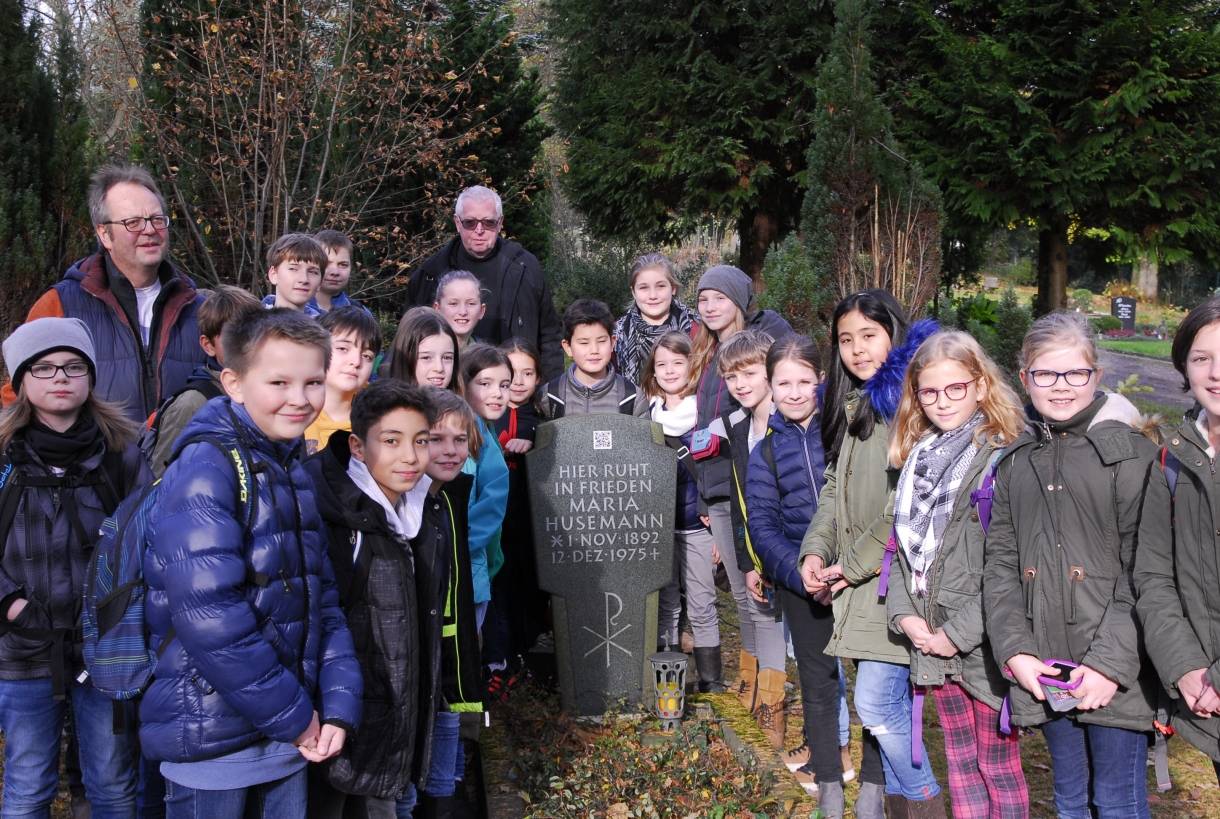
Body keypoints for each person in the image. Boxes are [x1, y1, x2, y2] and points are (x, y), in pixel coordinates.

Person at [139, 309, 362, 818]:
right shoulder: (206, 467)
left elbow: (322, 600)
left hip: (285, 740)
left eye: (312, 382)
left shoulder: (288, 465)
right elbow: (211, 618)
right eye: (279, 381)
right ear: (234, 383)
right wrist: (297, 717)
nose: (299, 398)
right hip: (213, 744)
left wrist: (339, 708)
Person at [984, 311, 1159, 819]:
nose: (1060, 387)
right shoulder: (1017, 461)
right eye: (1045, 374)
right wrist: (1016, 651)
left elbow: (1143, 572)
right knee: (1069, 799)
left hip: (1115, 671)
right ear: (1024, 379)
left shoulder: (1130, 458)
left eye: (1074, 374)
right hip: (1047, 665)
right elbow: (1000, 566)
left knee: (1117, 800)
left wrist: (1108, 665)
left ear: (1096, 375)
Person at [798, 290, 942, 818]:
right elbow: (836, 485)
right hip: (861, 585)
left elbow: (902, 505)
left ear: (894, 334)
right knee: (883, 706)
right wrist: (815, 549)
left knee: (877, 702)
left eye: (869, 335)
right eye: (845, 340)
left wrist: (849, 566)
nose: (857, 349)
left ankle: (924, 802)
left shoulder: (910, 405)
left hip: (895, 583)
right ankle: (898, 806)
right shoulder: (857, 401)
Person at [0, 318, 150, 819]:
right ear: (21, 382)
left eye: (72, 366)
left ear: (90, 377)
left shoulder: (122, 454)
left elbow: (149, 536)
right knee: (27, 783)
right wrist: (11, 603)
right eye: (42, 368)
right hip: (21, 648)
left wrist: (124, 611)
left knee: (112, 783)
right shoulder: (4, 457)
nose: (59, 377)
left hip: (106, 649)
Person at [886, 331, 1029, 818]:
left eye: (955, 389)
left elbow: (1009, 567)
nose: (942, 402)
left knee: (998, 765)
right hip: (930, 637)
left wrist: (957, 633)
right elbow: (903, 551)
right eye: (930, 392)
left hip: (983, 642)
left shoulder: (1004, 455)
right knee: (960, 762)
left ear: (981, 386)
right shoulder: (917, 456)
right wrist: (906, 618)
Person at [304, 381, 436, 817]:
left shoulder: (423, 505)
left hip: (396, 713)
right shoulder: (339, 515)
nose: (410, 457)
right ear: (358, 447)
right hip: (344, 716)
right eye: (391, 442)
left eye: (420, 441)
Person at [4, 164, 207, 423]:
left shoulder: (200, 310)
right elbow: (17, 396)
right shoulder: (60, 305)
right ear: (104, 234)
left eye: (157, 219)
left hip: (181, 463)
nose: (149, 230)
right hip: (95, 461)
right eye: (132, 222)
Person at [744, 336, 846, 810]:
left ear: (821, 380)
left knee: (876, 685)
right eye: (783, 382)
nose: (795, 392)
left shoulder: (845, 429)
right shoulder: (763, 454)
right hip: (803, 583)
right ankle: (829, 783)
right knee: (817, 679)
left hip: (859, 573)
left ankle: (880, 782)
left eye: (805, 381)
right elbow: (762, 524)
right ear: (770, 385)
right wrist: (797, 572)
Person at [689, 265, 790, 701]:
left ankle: (770, 698)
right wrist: (700, 495)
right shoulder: (704, 352)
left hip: (749, 485)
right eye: (703, 299)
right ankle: (751, 687)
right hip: (715, 487)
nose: (710, 307)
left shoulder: (761, 340)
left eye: (719, 297)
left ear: (740, 301)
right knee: (741, 596)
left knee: (760, 596)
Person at [1137, 296, 1220, 782]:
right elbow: (1153, 576)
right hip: (1206, 697)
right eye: (1201, 358)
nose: (1215, 373)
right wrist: (1185, 666)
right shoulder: (1171, 460)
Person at [406, 389, 484, 818]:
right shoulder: (408, 501)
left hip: (448, 655)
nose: (451, 451)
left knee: (444, 773)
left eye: (460, 440)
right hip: (420, 662)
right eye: (437, 439)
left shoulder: (449, 495)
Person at [405, 185, 562, 379]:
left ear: (500, 223)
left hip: (516, 391)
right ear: (457, 223)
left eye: (488, 222)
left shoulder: (525, 267)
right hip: (451, 388)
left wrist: (550, 392)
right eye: (470, 222)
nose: (479, 230)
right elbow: (408, 342)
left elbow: (549, 334)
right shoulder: (430, 274)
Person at [637, 333, 707, 661]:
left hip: (696, 520)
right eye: (661, 364)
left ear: (692, 366)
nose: (669, 371)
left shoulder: (704, 411)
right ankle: (668, 658)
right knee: (666, 596)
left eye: (677, 363)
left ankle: (708, 670)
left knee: (698, 592)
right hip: (659, 522)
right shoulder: (646, 412)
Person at [148, 285, 262, 476]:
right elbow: (161, 481)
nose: (248, 343)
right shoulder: (192, 404)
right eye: (234, 335)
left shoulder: (270, 392)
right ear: (208, 345)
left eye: (256, 332)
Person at [487, 339, 546, 686]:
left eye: (528, 373)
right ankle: (501, 662)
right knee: (499, 590)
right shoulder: (486, 415)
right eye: (513, 373)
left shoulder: (541, 416)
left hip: (529, 523)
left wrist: (536, 440)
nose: (520, 381)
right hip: (495, 523)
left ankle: (524, 656)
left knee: (527, 590)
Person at [458, 345, 512, 630]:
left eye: (504, 385)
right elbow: (484, 507)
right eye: (485, 384)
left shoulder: (483, 430)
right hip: (466, 564)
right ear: (464, 385)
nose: (497, 393)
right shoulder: (466, 435)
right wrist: (459, 549)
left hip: (472, 565)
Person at [540, 299, 639, 418]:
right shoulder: (549, 396)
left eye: (601, 341)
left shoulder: (632, 396)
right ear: (568, 347)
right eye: (584, 343)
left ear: (612, 343)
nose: (594, 350)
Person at [304, 307, 381, 455]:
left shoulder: (380, 419)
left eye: (367, 356)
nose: (356, 361)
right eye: (343, 349)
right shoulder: (291, 411)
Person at [612, 252, 697, 385]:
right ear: (633, 291)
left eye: (661, 286)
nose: (653, 295)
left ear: (673, 288)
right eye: (644, 288)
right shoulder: (617, 334)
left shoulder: (696, 330)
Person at [386, 307, 461, 391]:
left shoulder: (462, 402)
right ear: (406, 358)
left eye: (447, 358)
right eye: (426, 357)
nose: (439, 368)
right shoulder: (384, 402)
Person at [261, 234, 327, 315]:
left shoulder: (329, 326)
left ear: (320, 282)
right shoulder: (248, 324)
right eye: (293, 269)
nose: (304, 279)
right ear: (273, 274)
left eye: (313, 272)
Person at [309, 230, 367, 314]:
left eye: (343, 265)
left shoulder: (361, 314)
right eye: (326, 264)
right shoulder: (293, 310)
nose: (335, 272)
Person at [433, 270, 487, 350]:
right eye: (453, 304)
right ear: (437, 309)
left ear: (481, 311)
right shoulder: (420, 351)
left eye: (471, 304)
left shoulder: (488, 358)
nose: (463, 312)